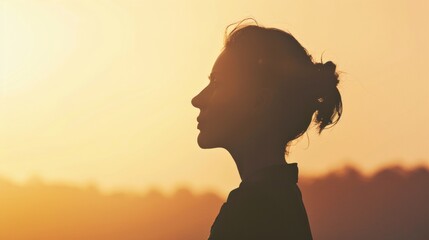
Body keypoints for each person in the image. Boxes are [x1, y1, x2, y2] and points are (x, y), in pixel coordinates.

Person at [192, 21, 342, 240]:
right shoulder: (277, 198)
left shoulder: (255, 210)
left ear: (260, 100)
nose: (197, 100)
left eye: (217, 83)